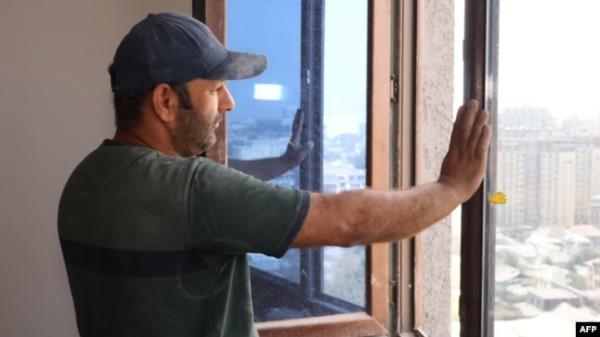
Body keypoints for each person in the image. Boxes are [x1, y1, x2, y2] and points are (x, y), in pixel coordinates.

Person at [58, 12, 490, 337]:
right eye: (214, 89)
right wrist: (452, 188)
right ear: (166, 102)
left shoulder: (86, 181)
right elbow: (347, 219)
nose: (228, 103)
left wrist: (282, 164)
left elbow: (199, 198)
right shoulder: (192, 191)